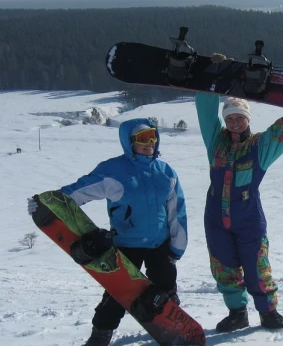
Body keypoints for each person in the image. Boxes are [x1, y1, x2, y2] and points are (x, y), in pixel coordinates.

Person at [195, 53, 283, 333]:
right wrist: (211, 75)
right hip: (215, 219)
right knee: (223, 267)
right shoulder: (215, 141)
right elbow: (205, 110)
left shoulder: (260, 146)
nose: (235, 122)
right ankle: (237, 313)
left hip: (248, 219)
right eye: (230, 117)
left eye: (240, 117)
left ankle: (268, 313)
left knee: (257, 265)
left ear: (248, 119)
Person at [27, 118, 188, 346]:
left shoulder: (165, 172)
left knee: (165, 287)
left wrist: (177, 245)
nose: (150, 142)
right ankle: (100, 335)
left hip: (159, 244)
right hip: (126, 245)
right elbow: (79, 191)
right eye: (143, 138)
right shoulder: (114, 171)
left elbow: (176, 210)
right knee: (117, 294)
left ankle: (174, 326)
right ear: (129, 142)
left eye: (153, 136)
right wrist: (45, 204)